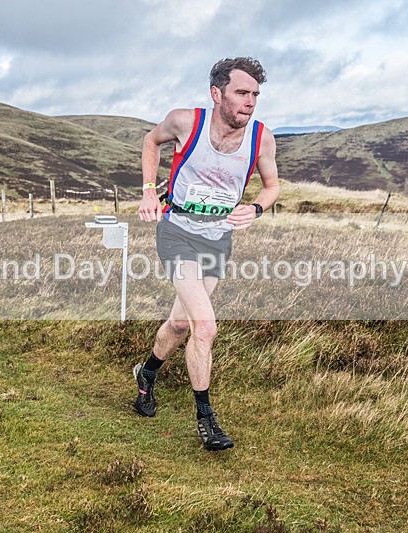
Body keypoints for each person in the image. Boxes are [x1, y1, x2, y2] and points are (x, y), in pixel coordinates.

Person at [135, 57, 280, 450]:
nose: (250, 102)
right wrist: (150, 189)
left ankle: (147, 374)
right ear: (217, 94)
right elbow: (151, 140)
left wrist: (257, 207)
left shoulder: (261, 138)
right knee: (206, 326)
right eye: (241, 93)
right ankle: (206, 419)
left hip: (217, 241)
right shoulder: (186, 122)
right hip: (177, 232)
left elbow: (271, 186)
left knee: (181, 324)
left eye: (255, 95)